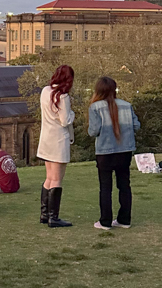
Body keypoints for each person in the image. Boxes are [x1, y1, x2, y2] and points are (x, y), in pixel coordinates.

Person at [88, 76, 141, 230]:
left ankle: (105, 221)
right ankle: (124, 219)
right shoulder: (127, 105)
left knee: (105, 187)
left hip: (105, 151)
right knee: (124, 185)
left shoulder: (95, 107)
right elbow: (136, 126)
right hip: (125, 150)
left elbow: (94, 131)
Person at [36, 65, 75, 228]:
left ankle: (45, 214)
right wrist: (73, 113)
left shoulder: (45, 91)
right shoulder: (63, 97)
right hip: (59, 139)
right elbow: (65, 120)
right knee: (57, 178)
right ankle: (54, 217)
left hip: (46, 138)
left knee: (49, 177)